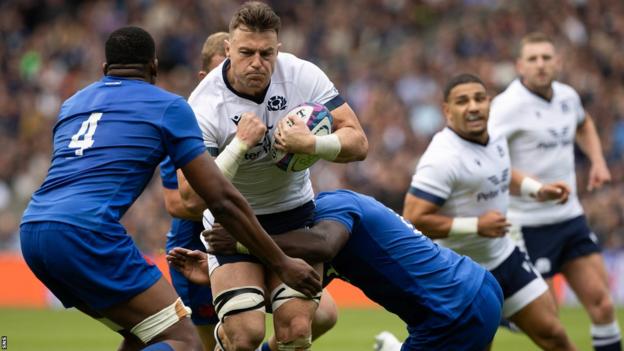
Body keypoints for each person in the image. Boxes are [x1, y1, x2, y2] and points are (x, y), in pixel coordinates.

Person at [19, 26, 321, 351]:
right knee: (182, 340)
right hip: (86, 232)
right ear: (154, 67)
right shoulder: (168, 107)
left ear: (104, 70)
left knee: (143, 332)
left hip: (33, 231)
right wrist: (281, 262)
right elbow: (219, 198)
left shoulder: (71, 105)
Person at [177, 2, 368, 351]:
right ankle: (223, 341)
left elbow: (358, 142)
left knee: (296, 331)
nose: (257, 63)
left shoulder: (302, 75)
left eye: (267, 53)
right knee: (244, 336)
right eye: (246, 52)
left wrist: (312, 143)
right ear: (228, 50)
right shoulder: (203, 104)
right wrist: (237, 147)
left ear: (278, 49)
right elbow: (189, 198)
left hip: (294, 215)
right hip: (231, 224)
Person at [168, 189, 503, 351]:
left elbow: (322, 245)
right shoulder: (320, 225)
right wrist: (219, 272)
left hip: (451, 313)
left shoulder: (331, 206)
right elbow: (297, 288)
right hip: (473, 288)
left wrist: (242, 243)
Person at [387, 73, 576, 350]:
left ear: (490, 103)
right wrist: (476, 226)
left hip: (503, 256)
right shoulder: (442, 158)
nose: (473, 106)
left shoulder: (496, 134)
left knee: (554, 334)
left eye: (479, 98)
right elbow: (414, 218)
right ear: (447, 111)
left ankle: (499, 312)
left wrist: (537, 190)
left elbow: (499, 171)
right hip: (461, 273)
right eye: (462, 101)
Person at [489, 32, 621, 351]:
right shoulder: (507, 106)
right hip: (528, 224)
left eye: (546, 58)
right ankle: (503, 310)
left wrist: (598, 161)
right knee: (545, 319)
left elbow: (584, 123)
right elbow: (492, 161)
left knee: (603, 305)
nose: (541, 65)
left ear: (558, 62)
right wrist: (537, 189)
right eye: (533, 59)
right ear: (520, 66)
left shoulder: (567, 97)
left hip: (570, 218)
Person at [159, 31, 228, 351]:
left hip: (245, 242)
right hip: (194, 248)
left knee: (320, 315)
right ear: (203, 77)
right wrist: (234, 204)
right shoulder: (185, 124)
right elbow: (175, 203)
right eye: (220, 71)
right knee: (210, 344)